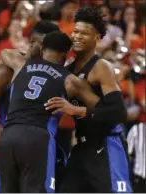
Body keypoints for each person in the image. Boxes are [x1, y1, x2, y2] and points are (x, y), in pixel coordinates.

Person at [0, 31, 99, 192]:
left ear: (43, 48)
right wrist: (73, 108)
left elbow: (4, 52)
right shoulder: (70, 79)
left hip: (8, 134)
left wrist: (29, 54)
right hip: (37, 136)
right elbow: (102, 106)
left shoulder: (20, 64)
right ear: (65, 53)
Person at [45, 6, 131, 193]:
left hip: (107, 143)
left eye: (84, 33)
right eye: (75, 31)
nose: (77, 36)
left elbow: (118, 112)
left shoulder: (102, 67)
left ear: (98, 37)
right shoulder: (68, 69)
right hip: (82, 147)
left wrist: (76, 110)